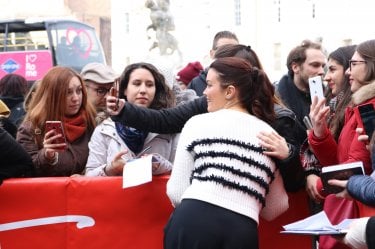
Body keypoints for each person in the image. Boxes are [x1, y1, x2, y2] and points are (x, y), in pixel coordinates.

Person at [108, 44, 305, 192]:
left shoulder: (277, 120)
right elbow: (165, 120)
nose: (204, 91)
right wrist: (123, 110)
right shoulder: (205, 109)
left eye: (211, 83)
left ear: (232, 86)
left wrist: (288, 155)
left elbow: (293, 184)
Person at [163, 57, 288, 249]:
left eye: (210, 85)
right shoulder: (270, 135)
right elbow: (276, 207)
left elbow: (176, 191)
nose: (204, 92)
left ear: (230, 92)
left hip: (192, 220)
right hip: (242, 230)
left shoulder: (197, 123)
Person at [308, 39, 375, 249]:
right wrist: (320, 134)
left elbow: (354, 169)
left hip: (360, 215)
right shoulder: (359, 107)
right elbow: (339, 162)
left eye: (354, 64)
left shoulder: (369, 109)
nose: (348, 72)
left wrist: (321, 184)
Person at [85, 62, 178, 176]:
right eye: (136, 83)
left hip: (155, 194)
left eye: (149, 85)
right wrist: (110, 169)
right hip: (116, 194)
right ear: (125, 89)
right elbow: (89, 176)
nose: (143, 90)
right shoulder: (105, 129)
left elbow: (181, 172)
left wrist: (160, 165)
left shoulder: (170, 126)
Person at [16, 66, 96, 176]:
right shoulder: (32, 129)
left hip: (87, 191)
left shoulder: (92, 122)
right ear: (52, 96)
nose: (76, 98)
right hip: (49, 193)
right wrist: (47, 156)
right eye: (68, 92)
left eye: (79, 91)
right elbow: (25, 171)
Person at [305, 45, 356, 202]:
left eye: (332, 70)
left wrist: (321, 183)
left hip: (346, 196)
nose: (326, 77)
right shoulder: (332, 104)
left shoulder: (355, 109)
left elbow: (344, 163)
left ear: (350, 70)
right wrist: (310, 172)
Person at [275, 39, 326, 145]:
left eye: (323, 66)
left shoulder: (328, 95)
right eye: (315, 65)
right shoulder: (276, 100)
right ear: (295, 67)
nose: (321, 71)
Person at [187, 30, 239, 96]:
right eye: (223, 49)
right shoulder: (196, 84)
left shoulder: (246, 82)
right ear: (212, 54)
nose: (228, 54)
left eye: (234, 51)